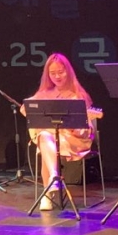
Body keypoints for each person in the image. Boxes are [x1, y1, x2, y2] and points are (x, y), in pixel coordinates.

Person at [22, 53, 94, 211]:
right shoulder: (44, 94)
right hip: (51, 139)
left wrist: (76, 126)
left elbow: (85, 130)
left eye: (61, 72)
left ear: (68, 71)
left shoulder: (78, 95)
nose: (57, 76)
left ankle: (48, 194)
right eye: (53, 73)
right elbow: (26, 108)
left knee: (46, 143)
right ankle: (54, 178)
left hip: (72, 140)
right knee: (45, 137)